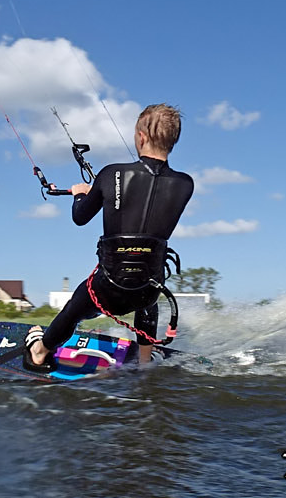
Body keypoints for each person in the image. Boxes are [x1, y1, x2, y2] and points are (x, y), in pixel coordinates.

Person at [25, 104, 194, 371]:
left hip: (109, 287)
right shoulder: (186, 184)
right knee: (148, 291)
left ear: (140, 137)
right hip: (148, 288)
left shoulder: (110, 173)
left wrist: (82, 193)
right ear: (174, 140)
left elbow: (80, 217)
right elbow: (147, 209)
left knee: (77, 307)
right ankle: (144, 361)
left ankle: (39, 350)